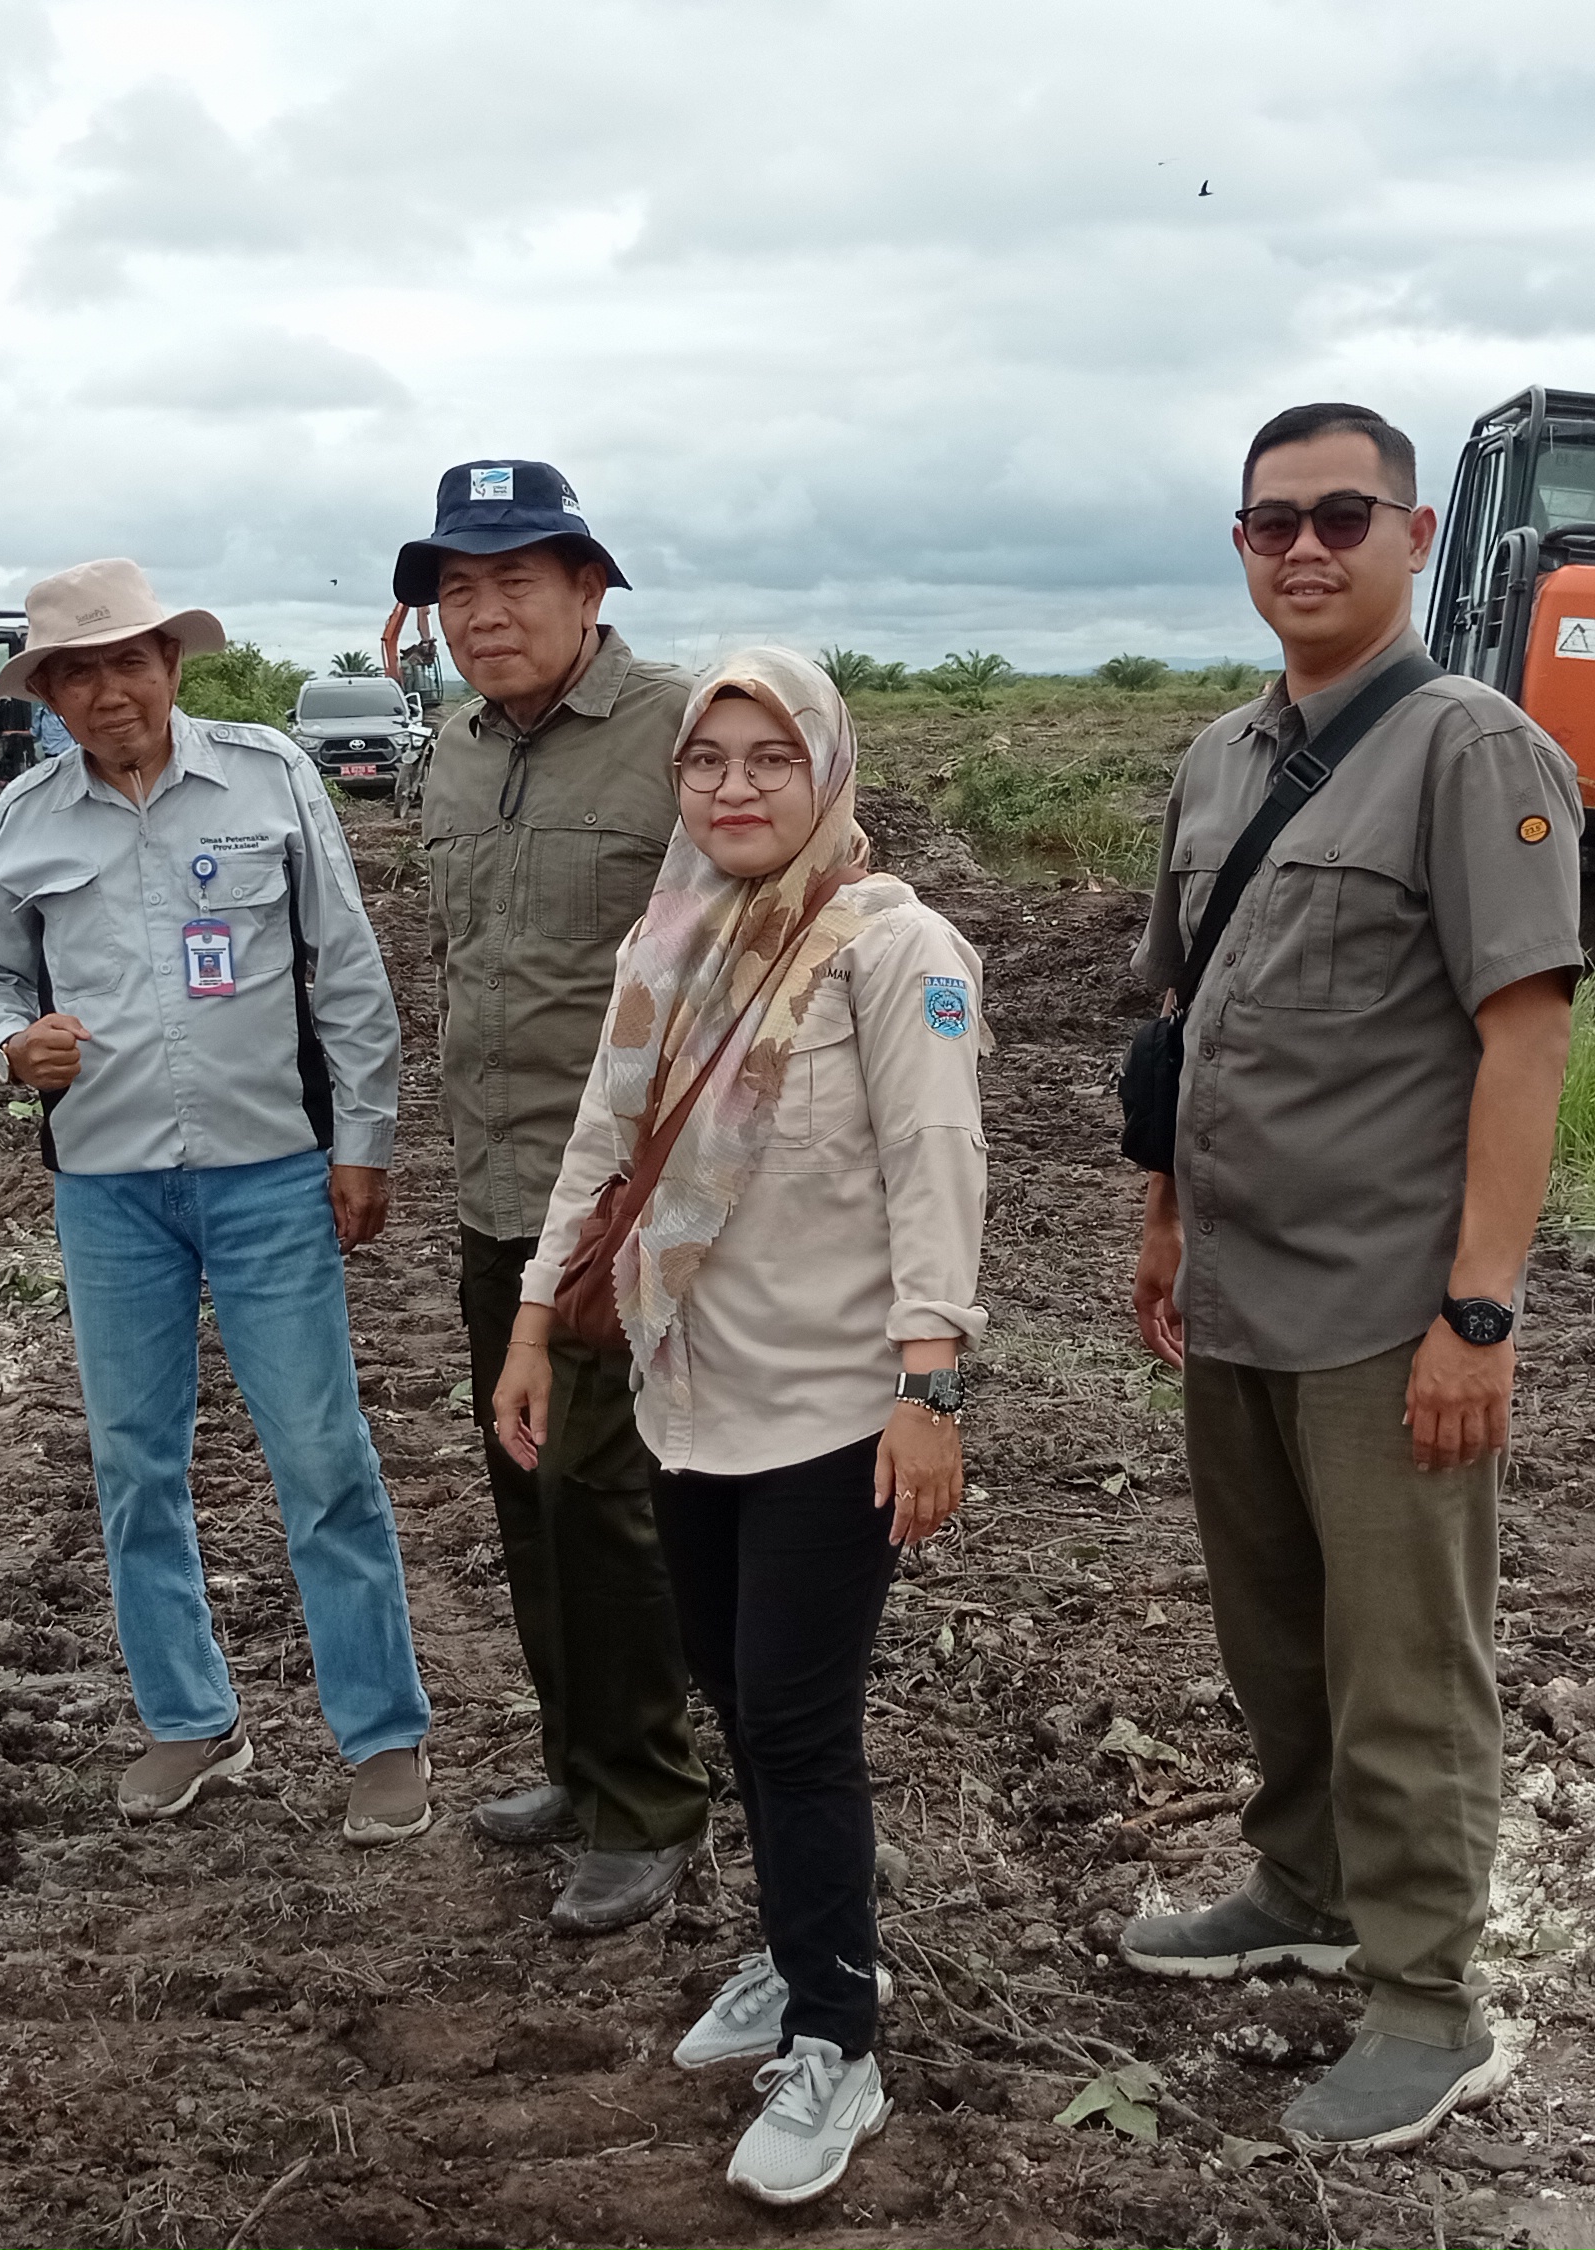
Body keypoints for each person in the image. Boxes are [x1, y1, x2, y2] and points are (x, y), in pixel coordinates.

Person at [1115, 403, 1585, 2152]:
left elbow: (1523, 1039)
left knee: (1406, 1661)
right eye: (1272, 523)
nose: (1304, 549)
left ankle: (1427, 2001)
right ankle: (1302, 1887)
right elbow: (1186, 1013)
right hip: (1239, 1290)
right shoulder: (1223, 758)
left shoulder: (1472, 749)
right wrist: (1164, 1219)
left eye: (1339, 516)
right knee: (1277, 1636)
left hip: (1388, 1310)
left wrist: (1480, 1309)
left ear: (1413, 532)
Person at [493, 648, 988, 2208]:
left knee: (793, 1718)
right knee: (728, 1685)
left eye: (771, 757)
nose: (735, 787)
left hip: (836, 1410)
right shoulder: (674, 934)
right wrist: (533, 1315)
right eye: (707, 759)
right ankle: (800, 1948)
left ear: (827, 768)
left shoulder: (891, 946)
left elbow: (939, 1165)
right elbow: (603, 1132)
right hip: (686, 1397)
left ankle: (838, 2034)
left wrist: (929, 1389)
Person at [0, 559, 435, 1842]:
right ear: (47, 695)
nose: (107, 691)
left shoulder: (267, 777)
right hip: (108, 1191)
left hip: (271, 1173)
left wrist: (364, 1142)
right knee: (133, 1464)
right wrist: (9, 1048)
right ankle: (189, 1719)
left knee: (320, 1457)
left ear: (172, 663)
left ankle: (382, 1735)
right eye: (76, 674)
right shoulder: (25, 819)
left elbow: (346, 967)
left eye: (129, 661)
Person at [399, 459, 711, 1933]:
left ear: (590, 588)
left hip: (635, 1209)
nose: (483, 613)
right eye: (458, 588)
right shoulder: (455, 754)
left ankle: (648, 1801)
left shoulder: (682, 736)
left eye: (515, 580)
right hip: (497, 1187)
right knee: (528, 1490)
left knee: (610, 1503)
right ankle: (578, 1763)